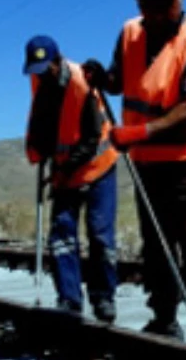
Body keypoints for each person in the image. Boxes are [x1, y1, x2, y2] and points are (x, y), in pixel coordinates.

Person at [83, 0, 186, 350]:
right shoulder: (130, 33)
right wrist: (104, 78)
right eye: (150, 0)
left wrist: (138, 131)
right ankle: (164, 319)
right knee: (157, 243)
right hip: (150, 160)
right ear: (137, 0)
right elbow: (121, 80)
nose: (159, 7)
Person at [23, 35, 120, 321]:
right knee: (62, 234)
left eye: (45, 67)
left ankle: (103, 297)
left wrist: (63, 169)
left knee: (100, 234)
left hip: (98, 165)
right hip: (65, 171)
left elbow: (91, 137)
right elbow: (40, 123)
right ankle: (69, 298)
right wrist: (39, 149)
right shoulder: (40, 83)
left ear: (57, 60)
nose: (41, 74)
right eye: (36, 69)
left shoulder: (81, 82)